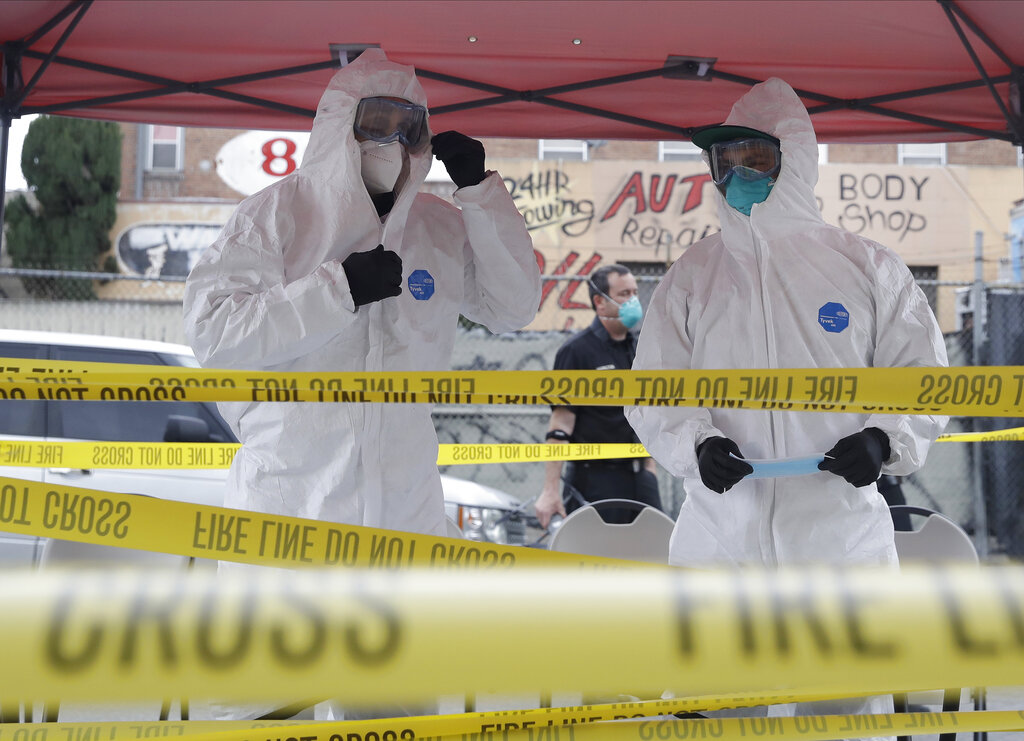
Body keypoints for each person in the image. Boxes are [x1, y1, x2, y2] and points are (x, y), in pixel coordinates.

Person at [183, 49, 540, 718]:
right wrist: (336, 289)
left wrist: (483, 195)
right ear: (337, 123)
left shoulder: (437, 227)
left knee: (394, 712)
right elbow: (214, 333)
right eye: (378, 123)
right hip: (292, 506)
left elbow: (514, 302)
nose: (395, 143)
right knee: (267, 708)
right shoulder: (277, 218)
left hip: (402, 512)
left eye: (411, 128)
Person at [625, 78, 948, 728]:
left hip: (836, 539)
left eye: (757, 157)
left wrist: (884, 439)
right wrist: (695, 443)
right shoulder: (694, 277)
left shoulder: (867, 269)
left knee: (838, 714)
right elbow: (653, 386)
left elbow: (922, 376)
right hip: (721, 535)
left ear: (794, 160)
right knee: (714, 711)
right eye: (726, 160)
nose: (738, 173)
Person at [535, 264, 662, 528]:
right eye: (624, 294)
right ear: (600, 303)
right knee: (600, 563)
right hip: (596, 480)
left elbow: (645, 413)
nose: (634, 300)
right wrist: (550, 490)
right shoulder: (576, 352)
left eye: (635, 292)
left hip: (641, 478)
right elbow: (560, 426)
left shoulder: (641, 349)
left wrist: (649, 469)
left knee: (654, 559)